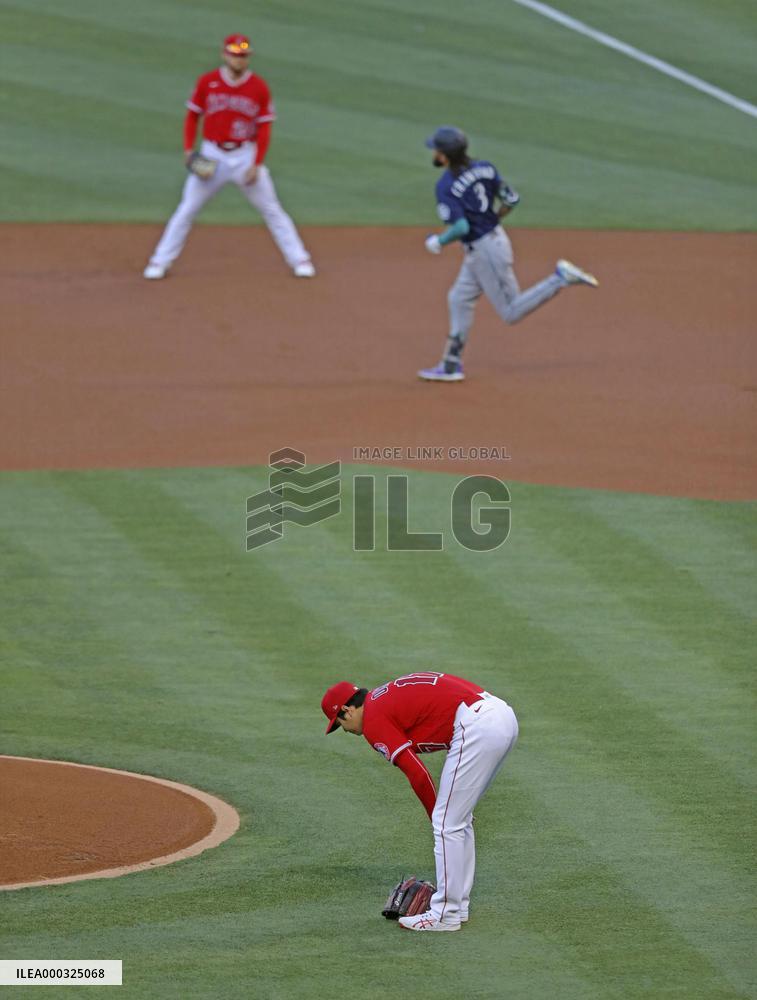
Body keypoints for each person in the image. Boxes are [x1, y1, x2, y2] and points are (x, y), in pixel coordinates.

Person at [321, 672, 519, 932]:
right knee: (457, 820)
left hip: (478, 726)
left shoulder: (373, 720)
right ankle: (458, 906)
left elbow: (417, 773)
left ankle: (445, 914)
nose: (346, 731)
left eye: (339, 724)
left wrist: (436, 815)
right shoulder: (384, 699)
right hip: (501, 715)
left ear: (347, 710)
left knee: (447, 822)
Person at [418, 125, 598, 382]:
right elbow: (511, 199)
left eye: (436, 150)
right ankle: (450, 364)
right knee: (458, 298)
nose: (434, 153)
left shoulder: (446, 185)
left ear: (445, 155)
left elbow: (461, 227)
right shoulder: (485, 168)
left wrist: (438, 241)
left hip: (486, 251)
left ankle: (560, 278)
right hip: (489, 244)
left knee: (511, 311)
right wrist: (493, 219)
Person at [143, 34, 315, 280]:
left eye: (243, 55)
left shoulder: (259, 87)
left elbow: (265, 128)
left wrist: (257, 163)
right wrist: (189, 150)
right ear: (224, 55)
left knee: (272, 209)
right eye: (235, 55)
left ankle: (300, 259)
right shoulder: (208, 82)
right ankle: (159, 261)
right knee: (187, 209)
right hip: (212, 154)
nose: (239, 59)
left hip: (245, 155)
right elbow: (192, 116)